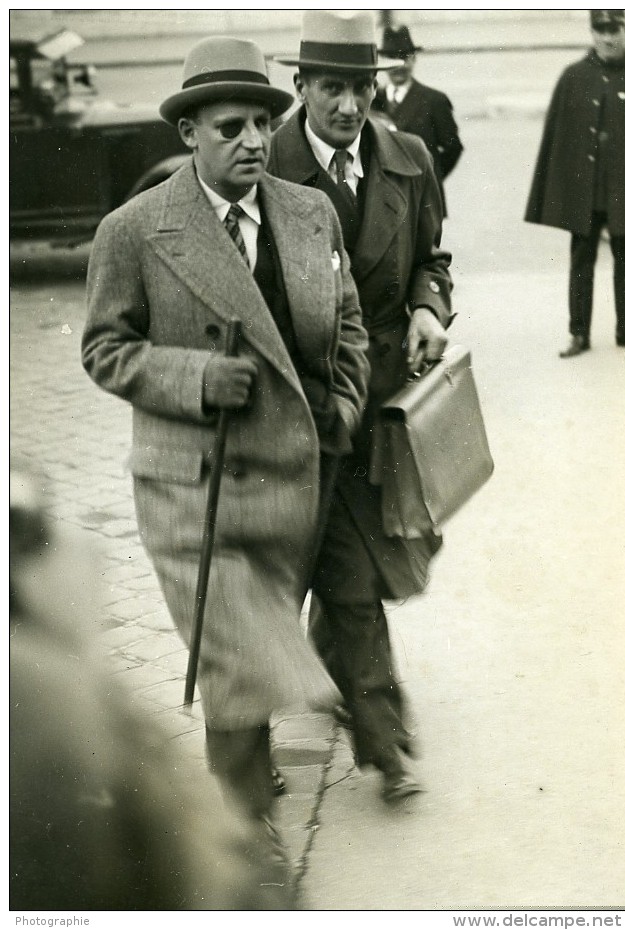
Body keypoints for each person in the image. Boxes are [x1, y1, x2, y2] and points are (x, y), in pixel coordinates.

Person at [81, 35, 370, 879]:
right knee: (237, 655)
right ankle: (244, 836)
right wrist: (198, 375)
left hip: (294, 476)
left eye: (262, 124)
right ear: (189, 136)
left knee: (245, 655)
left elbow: (345, 317)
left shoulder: (309, 212)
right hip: (193, 485)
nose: (253, 140)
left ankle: (247, 782)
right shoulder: (134, 231)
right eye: (232, 127)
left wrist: (344, 401)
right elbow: (104, 349)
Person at [269, 10, 453, 804]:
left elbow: (434, 259)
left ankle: (354, 696)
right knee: (327, 576)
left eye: (361, 88)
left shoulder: (407, 158)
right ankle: (384, 742)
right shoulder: (264, 163)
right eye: (332, 87)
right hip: (297, 409)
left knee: (373, 560)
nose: (348, 107)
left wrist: (427, 308)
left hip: (382, 405)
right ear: (301, 86)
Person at [10, 469, 290, 910]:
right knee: (234, 663)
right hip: (191, 490)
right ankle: (251, 809)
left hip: (271, 489)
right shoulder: (67, 706)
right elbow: (223, 890)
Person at [525, 9, 625, 357]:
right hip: (587, 191)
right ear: (592, 32)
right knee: (581, 258)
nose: (608, 38)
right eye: (600, 30)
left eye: (615, 29)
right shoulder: (574, 76)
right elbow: (558, 138)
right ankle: (579, 333)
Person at [371, 22, 463, 216]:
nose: (398, 66)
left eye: (404, 57)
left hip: (424, 200)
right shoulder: (372, 100)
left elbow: (453, 147)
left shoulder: (434, 100)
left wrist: (431, 176)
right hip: (382, 200)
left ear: (413, 59)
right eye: (391, 58)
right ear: (382, 62)